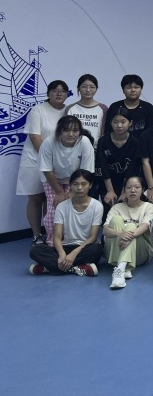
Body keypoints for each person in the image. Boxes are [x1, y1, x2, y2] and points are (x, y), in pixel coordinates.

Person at [18, 79, 67, 245]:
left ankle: (49, 234)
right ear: (48, 93)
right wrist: (48, 158)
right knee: (36, 198)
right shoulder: (38, 110)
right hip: (34, 159)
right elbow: (35, 137)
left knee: (50, 198)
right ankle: (36, 235)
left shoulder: (68, 111)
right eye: (55, 90)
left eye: (62, 91)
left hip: (58, 161)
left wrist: (56, 160)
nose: (58, 93)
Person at [29, 169, 103, 276]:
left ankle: (50, 267)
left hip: (84, 248)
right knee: (35, 250)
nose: (79, 188)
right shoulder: (62, 206)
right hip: (65, 247)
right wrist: (62, 254)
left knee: (97, 249)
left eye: (84, 184)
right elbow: (57, 237)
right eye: (75, 184)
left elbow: (93, 237)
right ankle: (76, 268)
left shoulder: (97, 206)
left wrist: (74, 253)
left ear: (90, 185)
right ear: (71, 186)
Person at [39, 115, 95, 246]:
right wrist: (59, 192)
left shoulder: (84, 142)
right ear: (59, 131)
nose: (71, 134)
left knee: (75, 208)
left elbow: (85, 172)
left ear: (80, 132)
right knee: (54, 211)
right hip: (52, 179)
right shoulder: (49, 142)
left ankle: (73, 241)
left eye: (75, 130)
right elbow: (47, 169)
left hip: (76, 179)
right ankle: (52, 242)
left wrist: (72, 192)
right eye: (66, 130)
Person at [103, 175, 153, 288]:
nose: (133, 190)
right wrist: (119, 234)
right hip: (116, 249)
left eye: (137, 187)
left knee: (131, 226)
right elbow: (105, 230)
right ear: (124, 190)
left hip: (140, 253)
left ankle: (120, 268)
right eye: (129, 187)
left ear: (142, 189)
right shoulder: (116, 207)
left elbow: (145, 227)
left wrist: (129, 236)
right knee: (116, 220)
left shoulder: (149, 207)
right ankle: (123, 268)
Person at [96, 106, 142, 218]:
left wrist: (125, 192)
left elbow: (132, 169)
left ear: (130, 123)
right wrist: (110, 191)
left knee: (126, 215)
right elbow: (103, 167)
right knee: (108, 215)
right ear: (110, 123)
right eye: (115, 122)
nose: (119, 125)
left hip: (128, 184)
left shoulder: (135, 142)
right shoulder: (103, 141)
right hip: (107, 183)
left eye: (123, 122)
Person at [65, 73, 108, 143]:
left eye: (92, 87)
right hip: (73, 147)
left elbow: (105, 131)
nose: (88, 90)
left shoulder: (103, 108)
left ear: (96, 89)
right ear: (78, 88)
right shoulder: (70, 109)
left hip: (95, 147)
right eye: (84, 87)